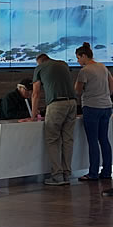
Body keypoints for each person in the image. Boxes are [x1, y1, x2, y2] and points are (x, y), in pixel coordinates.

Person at [29, 52, 76, 186]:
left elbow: (36, 93)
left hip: (56, 104)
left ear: (40, 61)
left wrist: (33, 116)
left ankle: (57, 176)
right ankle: (67, 174)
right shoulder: (63, 64)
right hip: (72, 103)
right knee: (68, 140)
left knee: (52, 139)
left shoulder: (39, 68)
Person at [74, 43, 113, 181]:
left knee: (92, 141)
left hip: (91, 107)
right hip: (106, 107)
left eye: (78, 58)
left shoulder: (85, 71)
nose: (78, 61)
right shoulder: (103, 66)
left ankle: (93, 173)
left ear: (84, 56)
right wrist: (106, 95)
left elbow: (77, 90)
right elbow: (112, 83)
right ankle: (107, 171)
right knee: (104, 139)